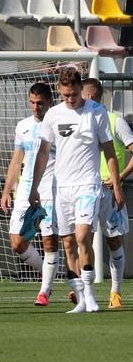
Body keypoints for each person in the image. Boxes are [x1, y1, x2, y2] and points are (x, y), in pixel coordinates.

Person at [30, 68, 122, 314]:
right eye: (65, 95)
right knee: (68, 242)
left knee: (83, 237)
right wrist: (34, 188)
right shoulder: (53, 115)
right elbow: (42, 154)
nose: (70, 99)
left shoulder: (96, 112)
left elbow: (109, 152)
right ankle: (80, 299)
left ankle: (91, 296)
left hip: (88, 185)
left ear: (81, 89)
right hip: (61, 187)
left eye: (73, 94)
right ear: (60, 92)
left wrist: (117, 186)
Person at [0, 82, 59, 306]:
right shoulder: (22, 126)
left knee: (49, 242)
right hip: (25, 190)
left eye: (40, 103)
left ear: (50, 102)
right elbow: (16, 161)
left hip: (50, 188)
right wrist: (7, 190)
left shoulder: (57, 124)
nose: (35, 107)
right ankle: (49, 277)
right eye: (32, 103)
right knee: (17, 242)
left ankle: (44, 291)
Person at [81, 78, 132, 309]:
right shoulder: (79, 121)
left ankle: (115, 293)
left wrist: (119, 177)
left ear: (90, 97)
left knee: (113, 242)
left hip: (110, 193)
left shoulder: (115, 121)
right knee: (83, 240)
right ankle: (84, 292)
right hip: (86, 191)